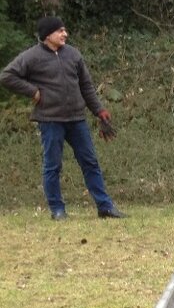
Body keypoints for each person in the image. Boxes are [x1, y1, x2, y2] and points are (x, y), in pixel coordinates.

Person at [1, 15, 125, 220]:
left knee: (90, 162)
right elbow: (7, 76)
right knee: (53, 166)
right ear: (47, 35)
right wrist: (33, 92)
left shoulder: (73, 55)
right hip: (50, 120)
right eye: (60, 31)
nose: (65, 34)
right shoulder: (31, 57)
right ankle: (57, 211)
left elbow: (86, 86)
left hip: (77, 119)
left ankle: (105, 207)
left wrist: (99, 110)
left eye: (64, 30)